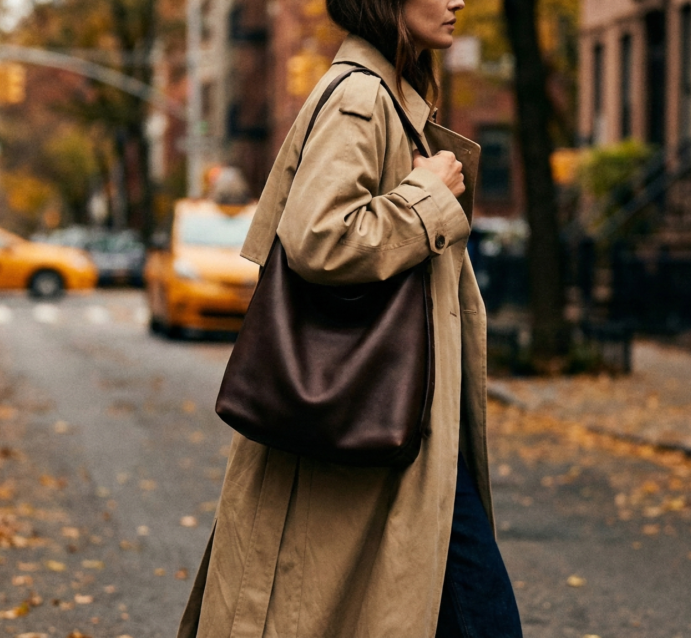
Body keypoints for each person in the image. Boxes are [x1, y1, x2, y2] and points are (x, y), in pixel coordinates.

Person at [176, 0, 523, 635]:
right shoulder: (361, 98)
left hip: (403, 416)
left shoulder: (389, 97)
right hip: (384, 413)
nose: (458, 1)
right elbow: (320, 236)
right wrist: (430, 197)